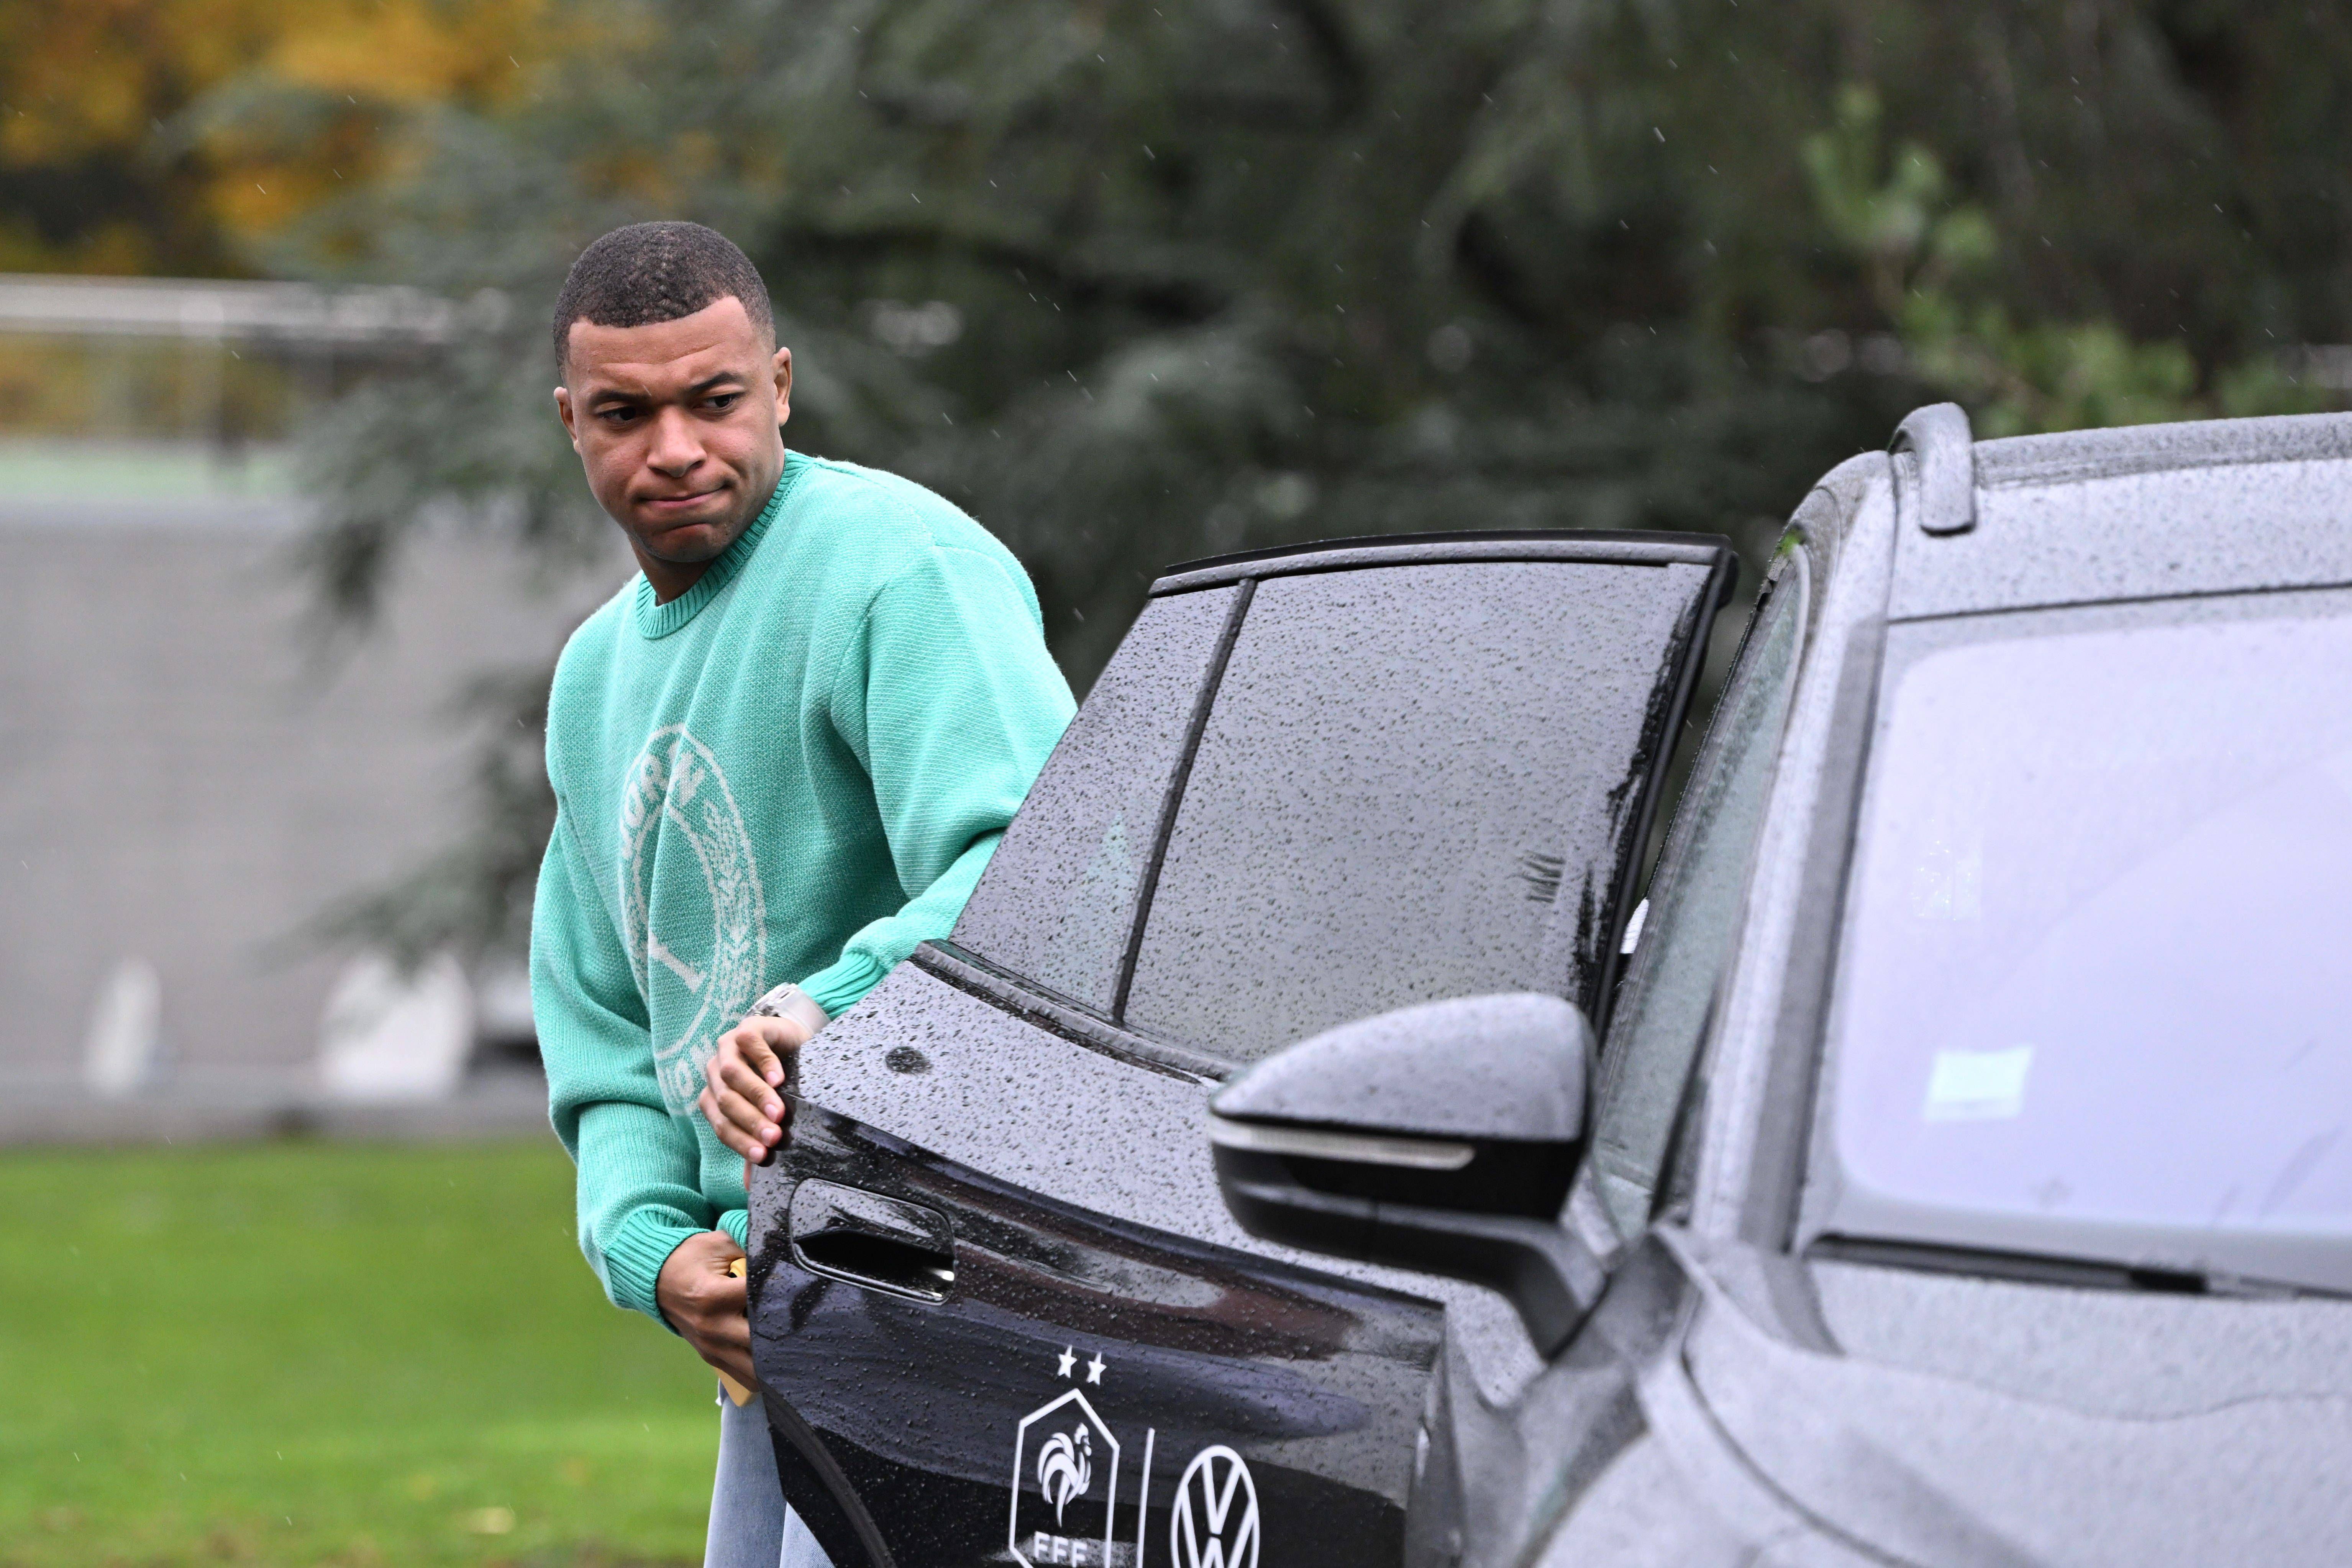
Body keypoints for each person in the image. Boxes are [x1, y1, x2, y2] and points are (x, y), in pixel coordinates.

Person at [530, 220, 1075, 1568]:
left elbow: (1042, 863)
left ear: (779, 383)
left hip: (962, 1305)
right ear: (569, 422)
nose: (673, 448)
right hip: (778, 1321)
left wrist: (825, 1009)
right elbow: (604, 1028)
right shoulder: (595, 678)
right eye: (625, 413)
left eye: (712, 401)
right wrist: (657, 1251)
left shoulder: (899, 568)